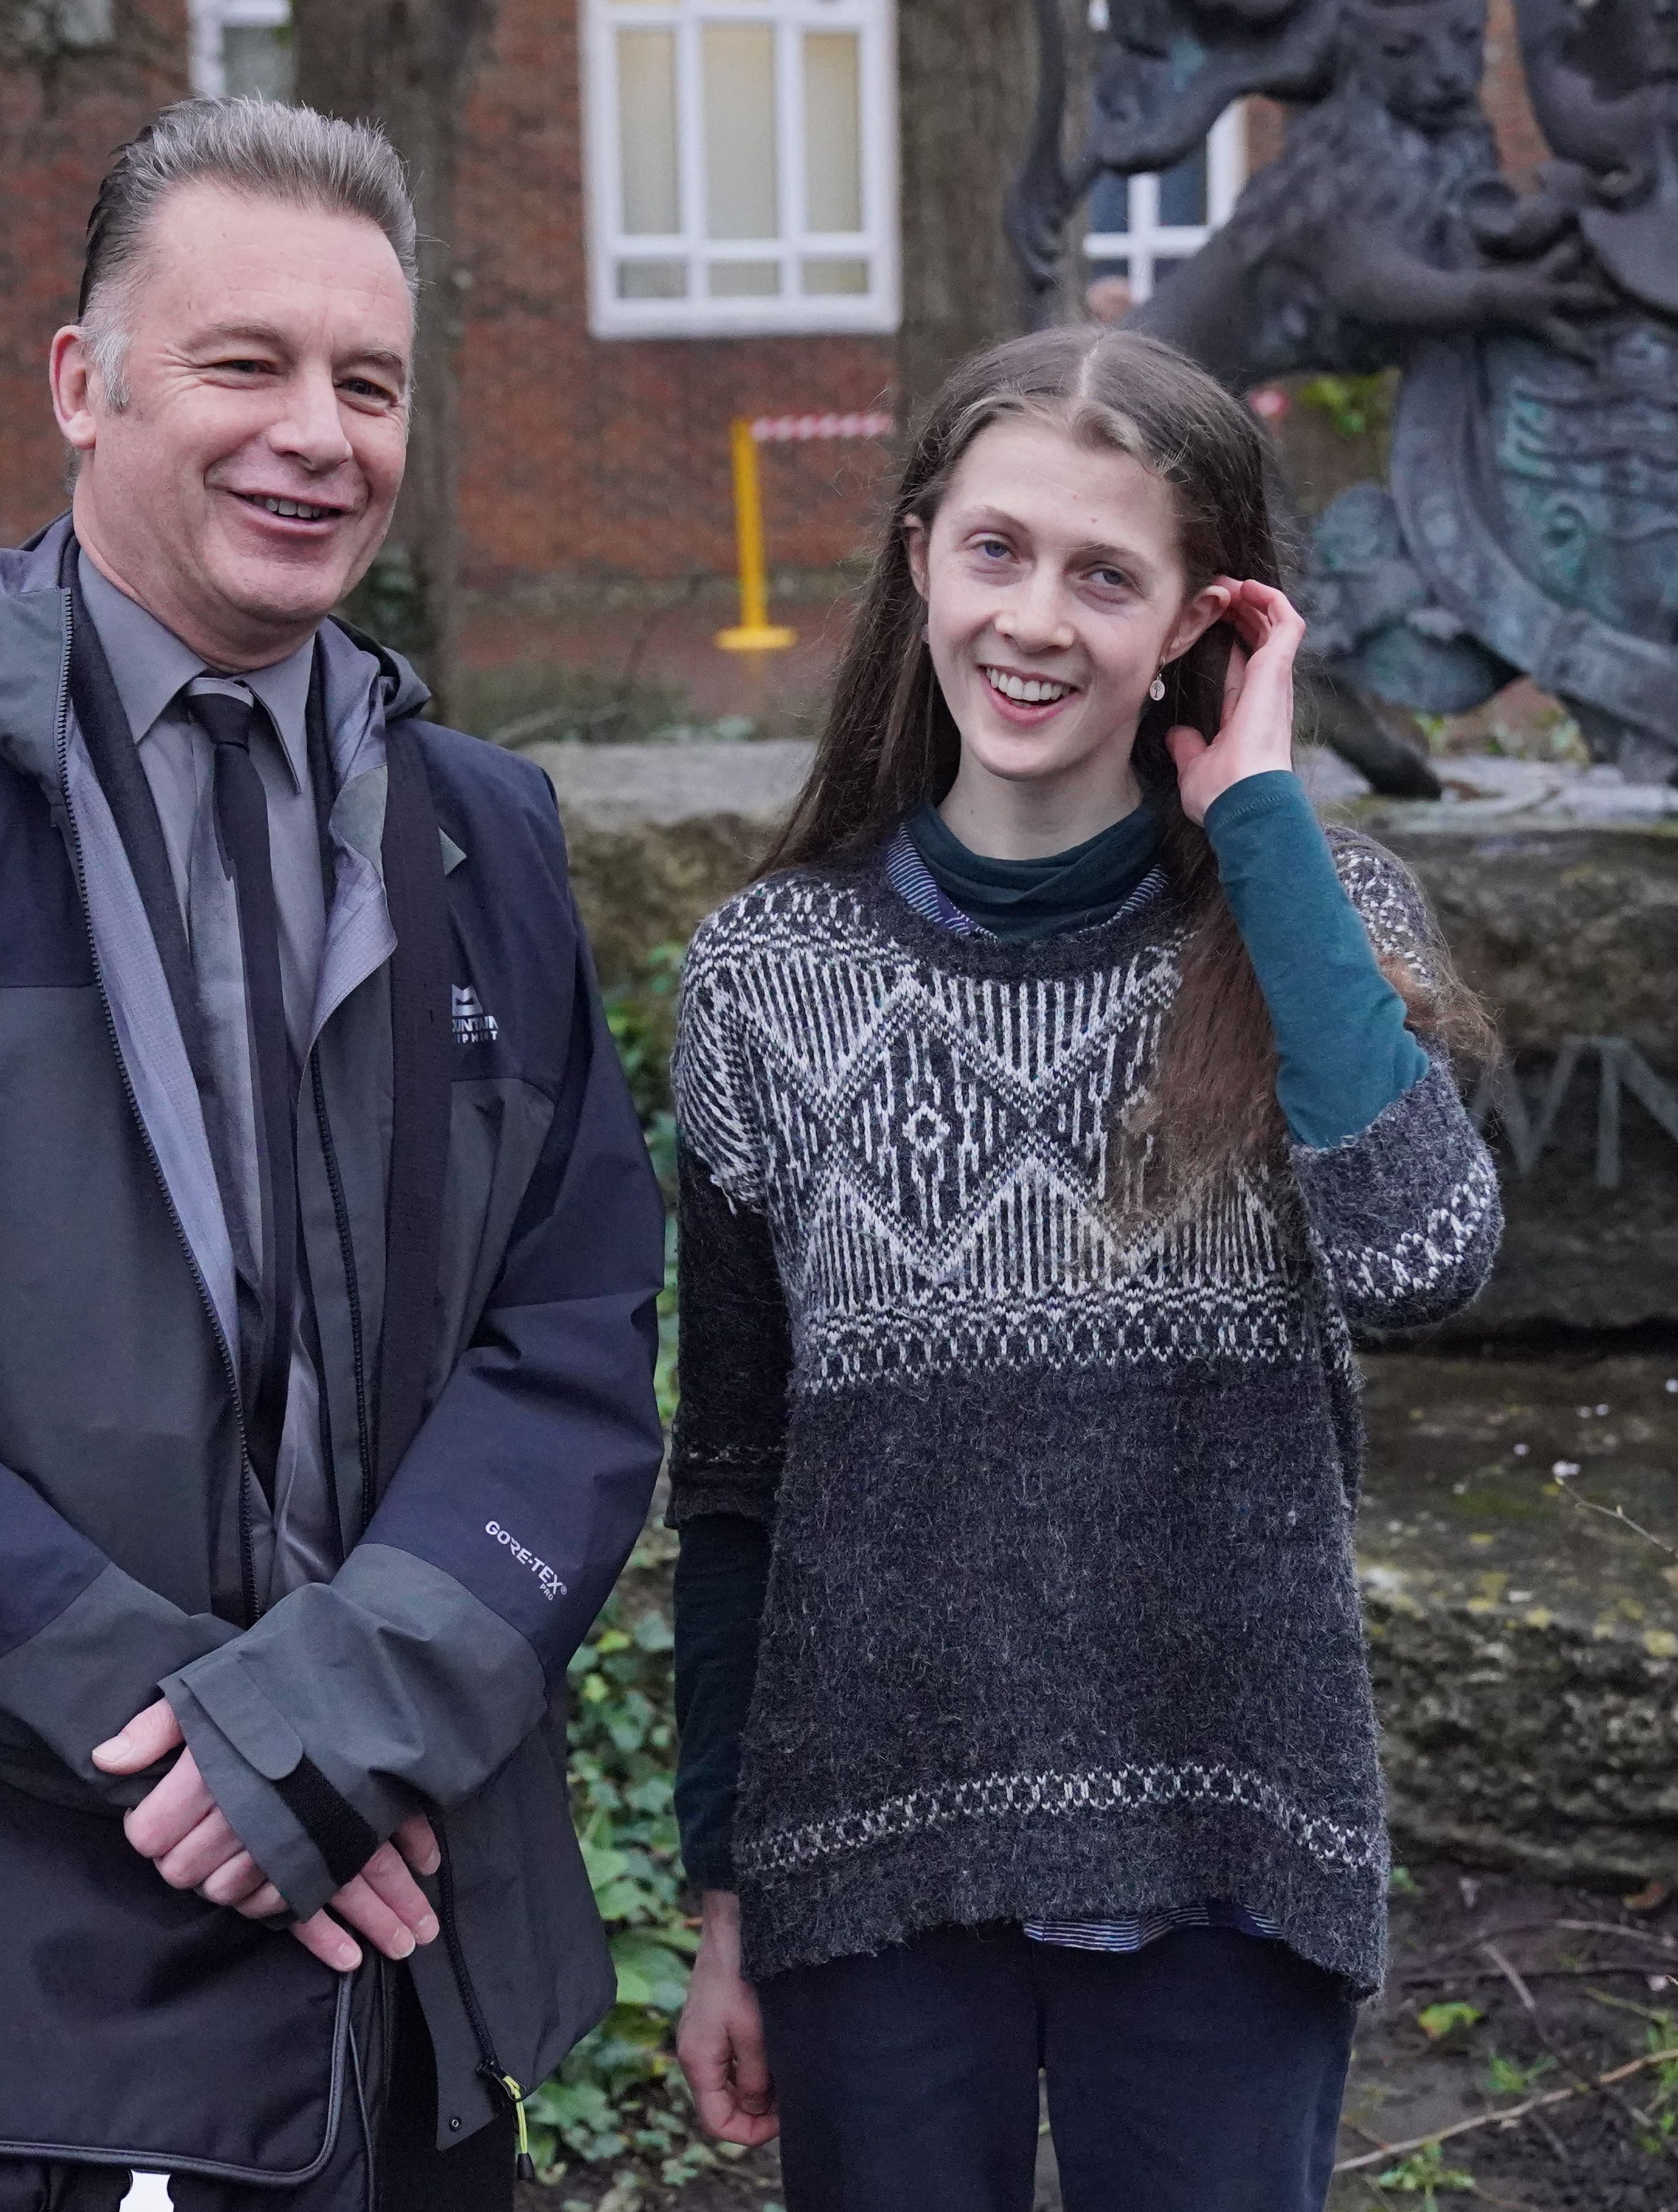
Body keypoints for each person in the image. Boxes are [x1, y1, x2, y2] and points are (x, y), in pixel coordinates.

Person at [0, 98, 665, 2211]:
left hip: (387, 1921)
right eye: (245, 363)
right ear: (87, 386)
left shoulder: (482, 837)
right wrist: (175, 1724)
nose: (317, 434)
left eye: (367, 382)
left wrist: (340, 1711)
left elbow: (573, 1334)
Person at [665, 324, 1503, 2212]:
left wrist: (1264, 821)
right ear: (918, 559)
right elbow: (729, 1483)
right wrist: (725, 1895)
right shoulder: (765, 976)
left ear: (1196, 619)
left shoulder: (1314, 923)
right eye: (997, 551)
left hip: (1224, 1827)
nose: (1036, 621)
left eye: (1104, 574)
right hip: (871, 1858)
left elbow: (1430, 1254)